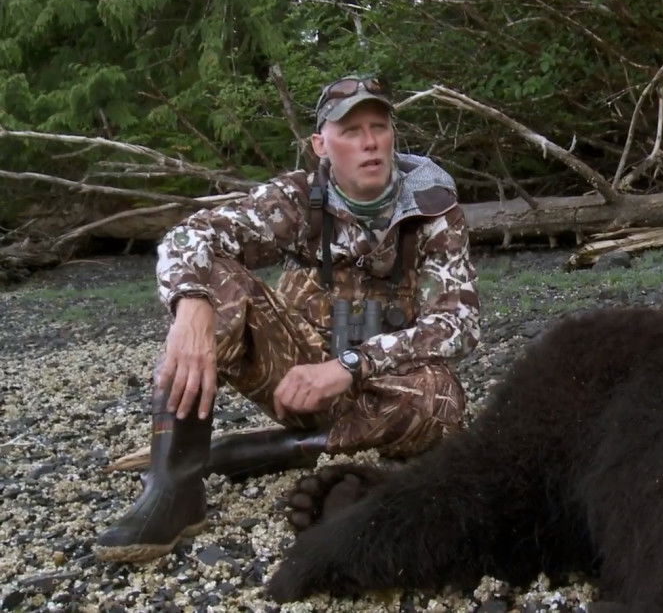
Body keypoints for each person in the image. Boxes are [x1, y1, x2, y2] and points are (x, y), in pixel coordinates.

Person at [95, 75, 481, 562]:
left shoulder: (433, 209)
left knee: (444, 402)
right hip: (291, 374)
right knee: (215, 280)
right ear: (321, 144)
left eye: (378, 127)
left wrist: (348, 366)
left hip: (378, 382)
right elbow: (190, 237)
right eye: (351, 130)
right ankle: (175, 486)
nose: (368, 142)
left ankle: (257, 451)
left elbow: (460, 320)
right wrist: (190, 306)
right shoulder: (296, 199)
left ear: (391, 136)